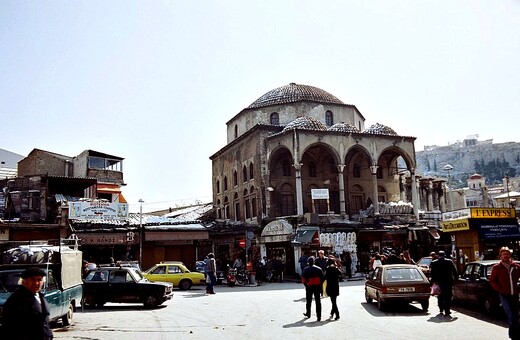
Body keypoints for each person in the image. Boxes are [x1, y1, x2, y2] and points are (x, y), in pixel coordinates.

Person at [2, 267, 53, 339]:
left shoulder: (41, 297)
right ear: (24, 282)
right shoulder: (16, 300)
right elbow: (10, 328)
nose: (36, 283)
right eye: (32, 279)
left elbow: (45, 322)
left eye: (39, 280)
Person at [490, 246, 520, 340]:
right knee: (510, 314)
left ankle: (514, 334)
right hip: (504, 294)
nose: (505, 256)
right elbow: (492, 280)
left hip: (514, 293)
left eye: (507, 254)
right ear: (500, 256)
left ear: (509, 255)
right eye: (504, 254)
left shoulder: (516, 266)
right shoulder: (497, 267)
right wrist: (499, 289)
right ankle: (514, 336)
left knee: (515, 315)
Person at [429, 250, 458, 318]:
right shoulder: (449, 262)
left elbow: (432, 273)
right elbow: (454, 271)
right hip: (448, 281)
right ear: (444, 255)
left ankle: (441, 309)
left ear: (438, 255)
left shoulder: (434, 263)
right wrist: (456, 279)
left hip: (439, 282)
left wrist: (433, 281)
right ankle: (447, 310)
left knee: (440, 296)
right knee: (448, 295)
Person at [301, 256, 324, 321]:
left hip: (309, 286)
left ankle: (308, 313)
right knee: (318, 301)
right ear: (314, 262)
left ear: (308, 262)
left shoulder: (305, 269)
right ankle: (319, 316)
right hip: (317, 286)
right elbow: (322, 278)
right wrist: (320, 285)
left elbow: (303, 279)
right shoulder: (319, 269)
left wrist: (306, 285)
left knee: (308, 301)